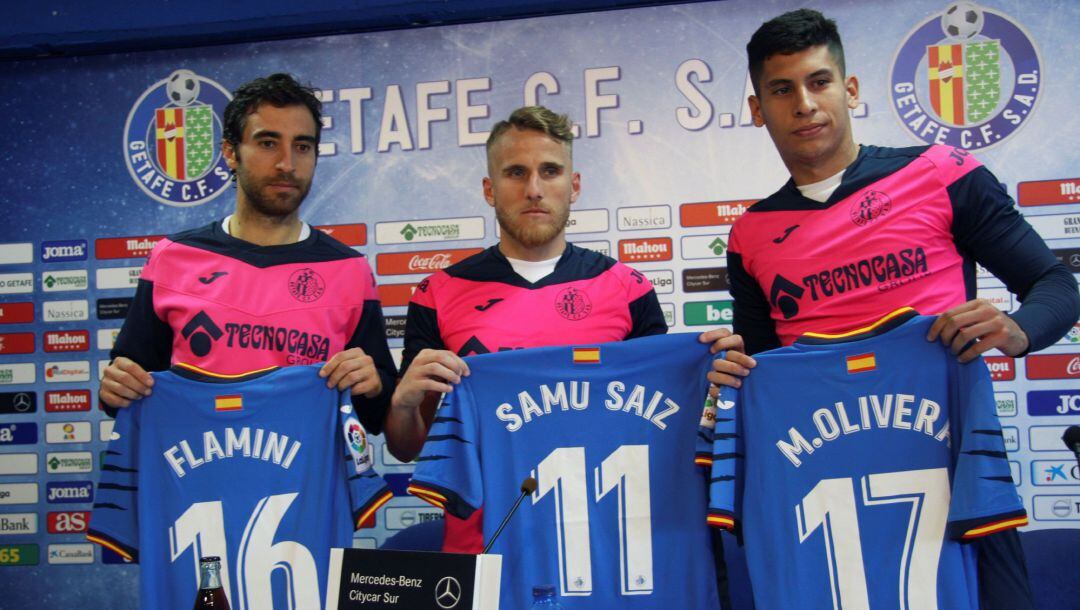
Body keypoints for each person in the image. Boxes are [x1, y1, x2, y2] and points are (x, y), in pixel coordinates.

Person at [729, 10, 1080, 609]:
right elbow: (761, 368)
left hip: (953, 471)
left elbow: (1057, 285)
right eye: (781, 90)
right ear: (758, 109)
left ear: (851, 89)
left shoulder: (940, 174)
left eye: (819, 82)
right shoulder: (750, 236)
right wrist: (729, 375)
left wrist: (1016, 329)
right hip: (820, 483)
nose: (805, 105)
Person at [384, 106, 751, 558]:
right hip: (487, 548)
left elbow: (667, 428)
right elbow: (406, 449)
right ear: (489, 189)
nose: (534, 189)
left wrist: (714, 384)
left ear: (574, 185)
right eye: (516, 172)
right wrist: (403, 402)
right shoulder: (437, 293)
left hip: (610, 543)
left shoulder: (627, 289)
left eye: (550, 171)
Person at [98, 73, 396, 436]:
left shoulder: (349, 269)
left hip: (310, 485)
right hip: (197, 478)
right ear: (230, 152)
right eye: (268, 143)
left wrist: (374, 384)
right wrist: (117, 387)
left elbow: (377, 414)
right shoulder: (173, 258)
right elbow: (128, 388)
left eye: (302, 146)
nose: (287, 163)